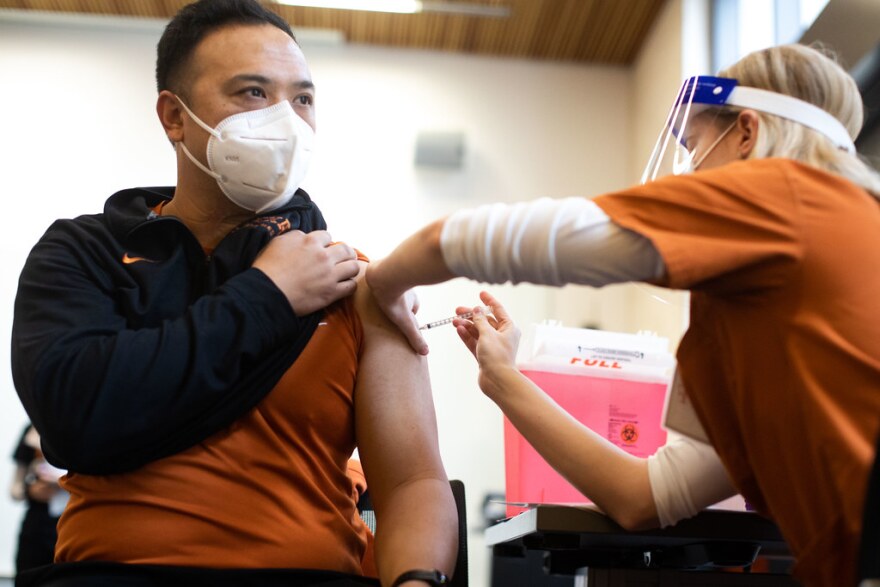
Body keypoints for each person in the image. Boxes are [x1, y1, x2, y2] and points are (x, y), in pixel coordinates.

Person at [366, 43, 880, 587]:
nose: (689, 170)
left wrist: (384, 283)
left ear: (748, 133)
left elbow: (493, 239)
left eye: (699, 146)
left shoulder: (788, 195)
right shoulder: (782, 299)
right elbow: (644, 498)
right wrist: (504, 380)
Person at [11, 0, 456, 585]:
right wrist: (268, 295)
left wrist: (417, 582)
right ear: (175, 117)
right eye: (251, 93)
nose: (287, 121)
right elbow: (73, 413)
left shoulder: (353, 281)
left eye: (302, 99)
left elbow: (412, 483)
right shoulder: (84, 253)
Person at [10, 425, 69, 575]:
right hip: (37, 526)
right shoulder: (31, 431)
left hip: (70, 523)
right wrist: (29, 490)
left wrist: (61, 482)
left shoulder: (84, 427)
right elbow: (15, 488)